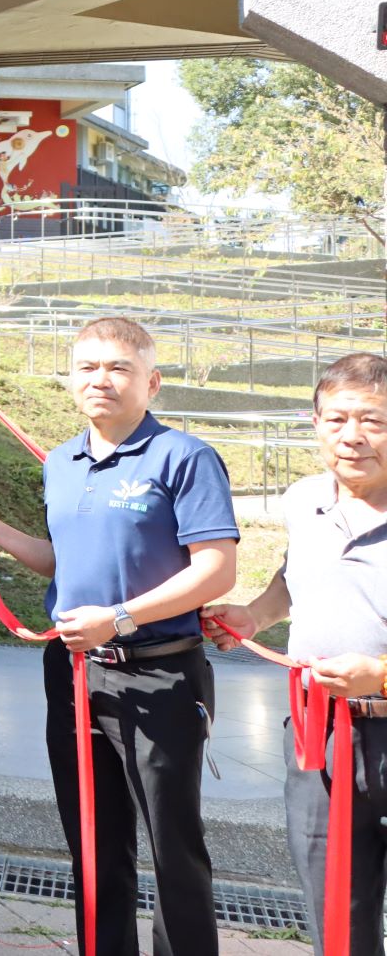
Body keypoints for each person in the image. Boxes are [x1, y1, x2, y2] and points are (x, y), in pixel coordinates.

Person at [0, 316, 236, 956]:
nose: (100, 380)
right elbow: (65, 561)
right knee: (93, 839)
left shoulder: (183, 457)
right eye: (86, 367)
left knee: (173, 846)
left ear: (152, 382)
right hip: (75, 673)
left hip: (159, 672)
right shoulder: (61, 462)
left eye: (118, 368)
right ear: (71, 379)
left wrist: (121, 618)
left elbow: (216, 568)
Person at [202, 352, 387, 956]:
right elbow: (294, 577)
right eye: (336, 420)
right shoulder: (303, 498)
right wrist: (253, 615)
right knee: (333, 908)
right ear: (314, 423)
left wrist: (380, 674)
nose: (352, 437)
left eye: (373, 421)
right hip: (319, 735)